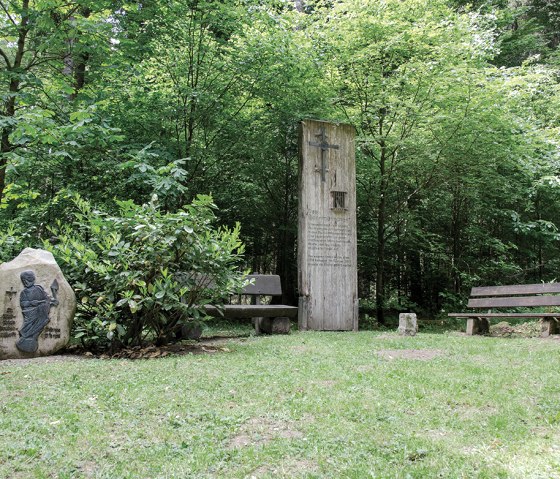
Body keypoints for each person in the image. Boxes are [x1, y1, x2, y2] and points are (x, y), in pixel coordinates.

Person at [16, 271, 57, 353]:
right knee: (28, 326)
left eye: (28, 279)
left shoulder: (39, 289)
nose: (26, 282)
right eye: (23, 280)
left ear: (33, 279)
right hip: (29, 313)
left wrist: (52, 302)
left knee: (43, 321)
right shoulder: (24, 292)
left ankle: (31, 340)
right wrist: (31, 303)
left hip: (40, 312)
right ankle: (26, 338)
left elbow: (46, 299)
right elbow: (23, 303)